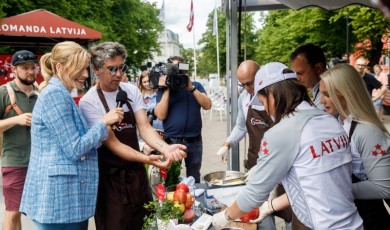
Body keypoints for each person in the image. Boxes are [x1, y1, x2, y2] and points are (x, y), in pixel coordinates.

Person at [212, 62, 363, 230]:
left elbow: (255, 194)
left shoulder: (281, 132)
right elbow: (315, 183)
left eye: (262, 101)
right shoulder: (330, 120)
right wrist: (270, 204)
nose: (265, 109)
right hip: (354, 223)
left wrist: (225, 216)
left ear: (271, 94)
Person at [79, 42, 187, 230]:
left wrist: (165, 148)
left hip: (137, 176)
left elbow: (145, 128)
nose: (119, 74)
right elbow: (114, 145)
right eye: (112, 69)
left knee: (145, 224)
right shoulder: (89, 102)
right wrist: (148, 159)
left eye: (122, 67)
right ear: (96, 69)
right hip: (110, 180)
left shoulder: (130, 90)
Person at [19, 41, 123, 229]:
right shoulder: (54, 95)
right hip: (59, 202)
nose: (85, 74)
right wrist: (103, 123)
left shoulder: (60, 93)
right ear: (60, 68)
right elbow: (74, 148)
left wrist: (102, 130)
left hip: (64, 201)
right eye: (80, 69)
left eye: (85, 69)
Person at [216, 60, 290, 230]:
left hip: (282, 166)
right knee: (261, 217)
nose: (248, 88)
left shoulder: (277, 98)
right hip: (256, 162)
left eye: (250, 83)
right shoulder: (244, 98)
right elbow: (241, 126)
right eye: (242, 84)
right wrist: (227, 143)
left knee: (289, 211)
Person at [320, 64, 390, 230]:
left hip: (370, 220)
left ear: (347, 94)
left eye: (327, 94)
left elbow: (384, 187)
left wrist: (334, 188)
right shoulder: (340, 122)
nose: (321, 100)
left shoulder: (367, 131)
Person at [154, 55, 212, 183]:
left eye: (181, 67)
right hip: (172, 141)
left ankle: (194, 201)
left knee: (194, 177)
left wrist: (191, 88)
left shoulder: (195, 85)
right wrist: (167, 89)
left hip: (194, 140)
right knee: (171, 178)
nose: (178, 71)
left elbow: (207, 105)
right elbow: (160, 115)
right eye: (174, 67)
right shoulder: (164, 89)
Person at [0, 50, 38, 230]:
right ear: (15, 69)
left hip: (40, 162)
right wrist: (16, 119)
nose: (30, 72)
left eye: (33, 67)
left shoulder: (41, 92)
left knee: (41, 213)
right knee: (13, 212)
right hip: (15, 161)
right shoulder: (4, 92)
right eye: (25, 68)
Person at [290, 43, 327, 110]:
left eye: (300, 73)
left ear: (318, 68)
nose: (297, 78)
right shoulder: (310, 90)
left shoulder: (332, 90)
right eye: (295, 74)